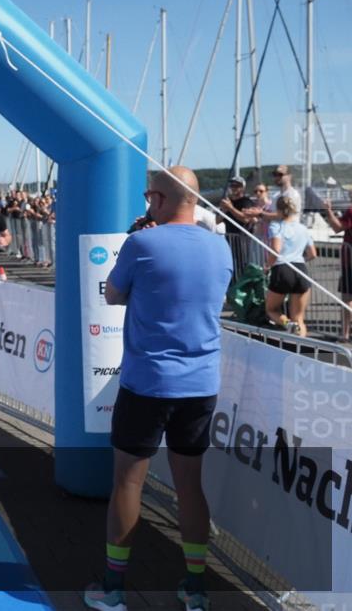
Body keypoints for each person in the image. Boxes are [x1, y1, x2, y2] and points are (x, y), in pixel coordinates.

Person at [85, 166, 232, 611]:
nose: (147, 204)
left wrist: (137, 248)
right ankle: (195, 589)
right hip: (201, 384)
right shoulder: (221, 246)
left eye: (150, 196)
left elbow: (112, 294)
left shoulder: (142, 242)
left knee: (128, 483)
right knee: (190, 487)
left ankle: (113, 589)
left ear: (162, 199)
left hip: (148, 382)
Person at [264, 196, 316, 337]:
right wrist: (300, 258)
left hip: (282, 269)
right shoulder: (303, 229)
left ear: (278, 210)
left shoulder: (276, 226)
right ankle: (302, 353)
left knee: (271, 309)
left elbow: (276, 249)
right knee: (299, 317)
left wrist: (267, 266)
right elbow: (312, 254)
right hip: (300, 269)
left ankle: (287, 324)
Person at [324, 198, 352, 341]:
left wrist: (328, 210)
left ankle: (345, 333)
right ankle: (345, 333)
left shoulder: (351, 211)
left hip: (350, 262)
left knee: (347, 298)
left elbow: (337, 227)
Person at [217, 176, 257, 276]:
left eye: (237, 186)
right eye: (232, 185)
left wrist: (230, 208)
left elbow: (245, 218)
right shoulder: (227, 202)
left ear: (242, 188)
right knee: (229, 265)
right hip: (229, 239)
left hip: (242, 240)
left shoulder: (246, 202)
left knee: (241, 266)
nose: (234, 188)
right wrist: (224, 210)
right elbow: (217, 221)